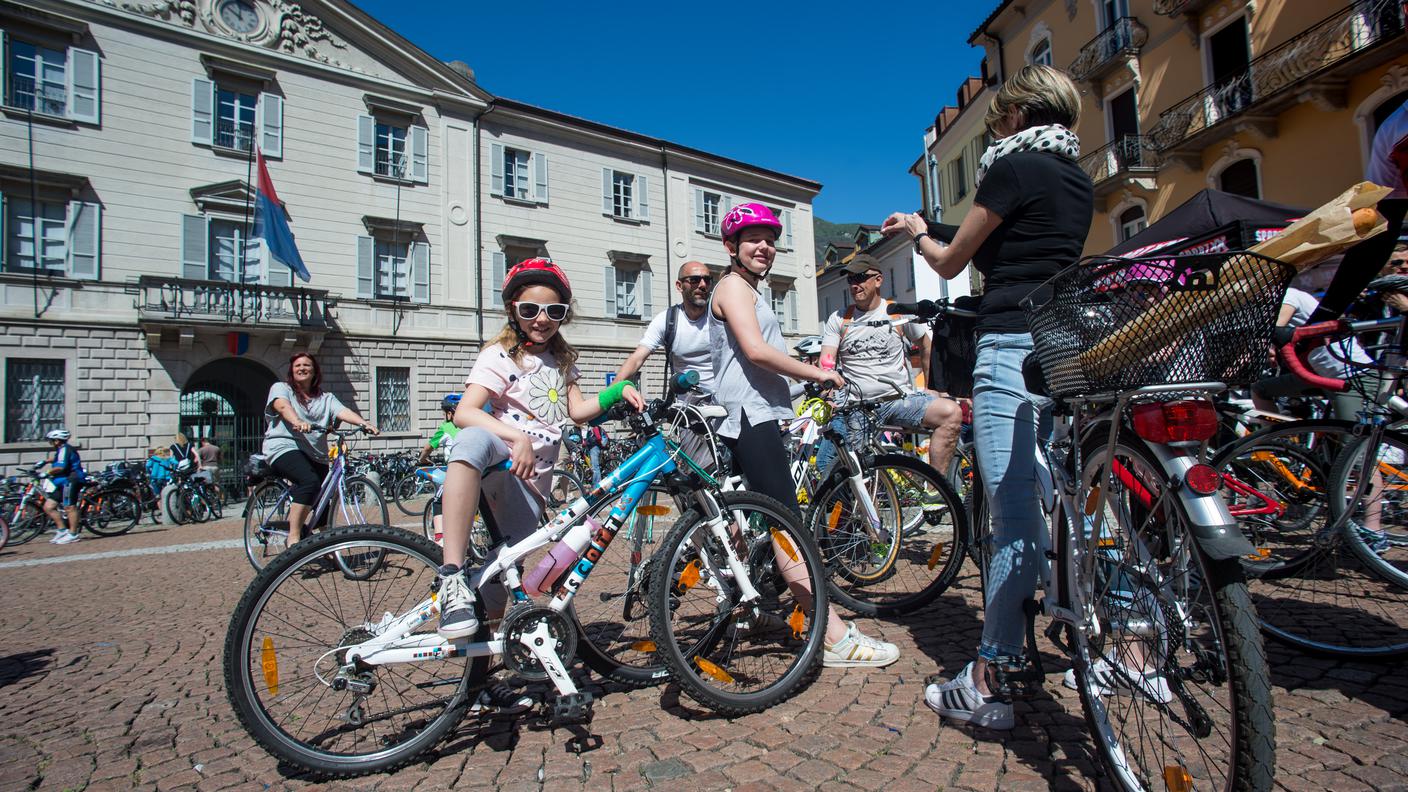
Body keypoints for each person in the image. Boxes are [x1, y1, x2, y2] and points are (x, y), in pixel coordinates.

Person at [882, 64, 1093, 728]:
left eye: (1001, 117)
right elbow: (1011, 241)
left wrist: (918, 230)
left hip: (1009, 345)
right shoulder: (1075, 179)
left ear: (1019, 115)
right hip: (1065, 346)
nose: (997, 126)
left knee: (1015, 521)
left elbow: (948, 263)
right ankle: (1128, 653)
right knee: (1078, 506)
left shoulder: (1012, 167)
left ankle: (988, 677)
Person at [711, 201, 900, 669]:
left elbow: (757, 361)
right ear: (731, 246)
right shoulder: (733, 287)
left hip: (754, 414)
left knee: (756, 522)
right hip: (747, 418)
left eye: (770, 240)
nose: (765, 247)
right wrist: (818, 375)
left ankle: (755, 609)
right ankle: (832, 637)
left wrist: (804, 378)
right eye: (753, 239)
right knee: (788, 525)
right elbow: (756, 352)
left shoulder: (752, 290)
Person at [436, 259, 645, 647]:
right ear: (514, 310)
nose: (542, 319)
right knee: (470, 441)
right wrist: (515, 438)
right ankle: (450, 573)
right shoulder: (500, 354)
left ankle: (478, 673)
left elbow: (577, 412)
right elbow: (465, 412)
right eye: (530, 310)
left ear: (564, 315)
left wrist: (618, 390)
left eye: (554, 311)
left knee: (498, 585)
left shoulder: (562, 361)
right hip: (501, 464)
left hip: (532, 488)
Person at [816, 253, 963, 476]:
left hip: (899, 400)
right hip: (858, 406)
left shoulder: (896, 313)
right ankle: (866, 509)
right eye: (850, 280)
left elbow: (926, 345)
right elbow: (827, 360)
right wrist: (827, 390)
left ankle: (935, 489)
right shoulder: (840, 319)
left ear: (878, 280)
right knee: (855, 470)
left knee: (951, 413)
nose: (855, 285)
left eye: (860, 278)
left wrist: (933, 388)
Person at [262, 352, 379, 544]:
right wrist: (297, 421)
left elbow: (343, 411)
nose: (302, 368)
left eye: (307, 365)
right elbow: (282, 407)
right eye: (298, 365)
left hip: (315, 453)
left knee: (325, 493)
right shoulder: (281, 388)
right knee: (309, 481)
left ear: (315, 371)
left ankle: (325, 544)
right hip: (284, 447)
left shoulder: (326, 398)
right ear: (292, 370)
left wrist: (364, 423)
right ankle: (294, 537)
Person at [614, 260, 717, 397]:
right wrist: (608, 396)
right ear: (679, 286)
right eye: (694, 280)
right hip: (685, 409)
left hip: (723, 405)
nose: (703, 285)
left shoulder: (720, 317)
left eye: (707, 280)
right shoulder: (667, 320)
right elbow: (637, 358)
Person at [38, 428, 86, 544]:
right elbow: (56, 459)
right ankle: (62, 530)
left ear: (57, 440)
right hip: (62, 482)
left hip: (71, 480)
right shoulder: (62, 450)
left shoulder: (65, 449)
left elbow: (61, 467)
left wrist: (47, 473)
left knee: (69, 507)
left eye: (52, 441)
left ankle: (73, 534)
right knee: (48, 506)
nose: (51, 443)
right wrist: (44, 462)